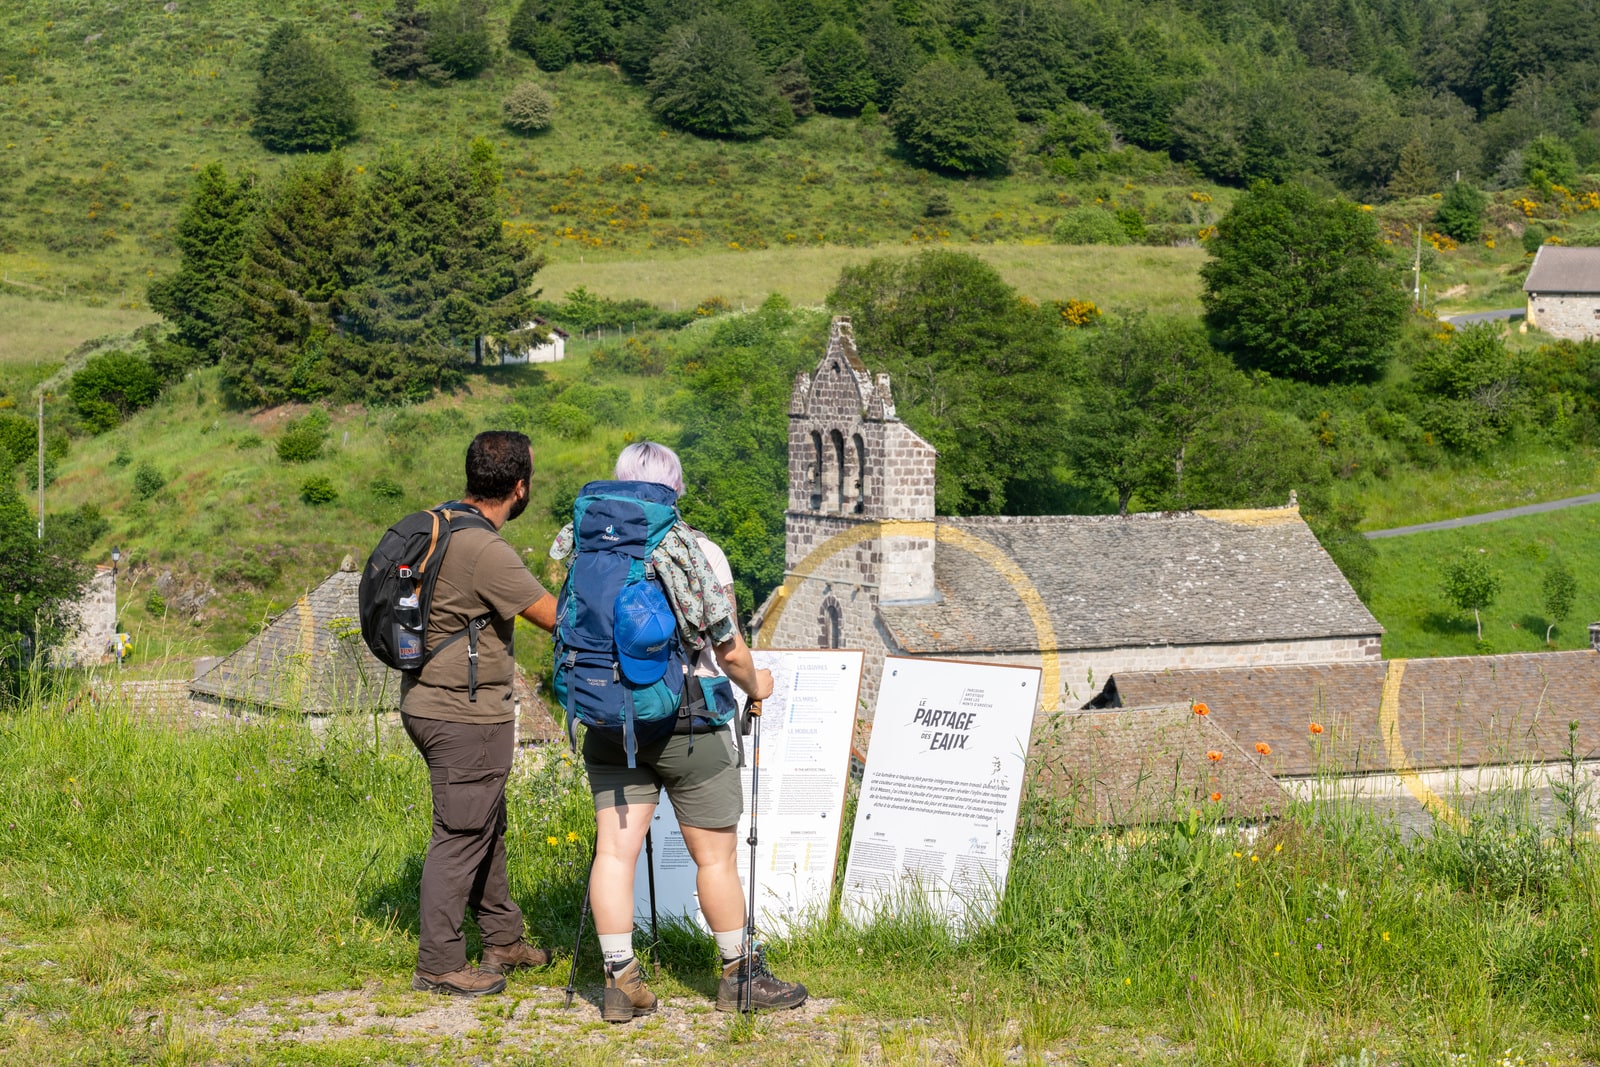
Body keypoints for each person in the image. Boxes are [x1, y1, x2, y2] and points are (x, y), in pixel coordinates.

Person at [546, 441, 808, 1022]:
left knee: (615, 853)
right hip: (690, 723)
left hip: (609, 717)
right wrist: (756, 685)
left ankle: (619, 981)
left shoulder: (578, 543)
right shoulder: (696, 549)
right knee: (713, 859)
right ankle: (739, 975)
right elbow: (727, 644)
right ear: (676, 489)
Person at [402, 430, 559, 997]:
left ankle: (502, 937)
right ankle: (440, 963)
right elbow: (555, 617)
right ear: (519, 487)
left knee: (484, 821)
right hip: (464, 714)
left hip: (427, 700)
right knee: (461, 831)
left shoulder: (440, 523)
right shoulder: (487, 551)